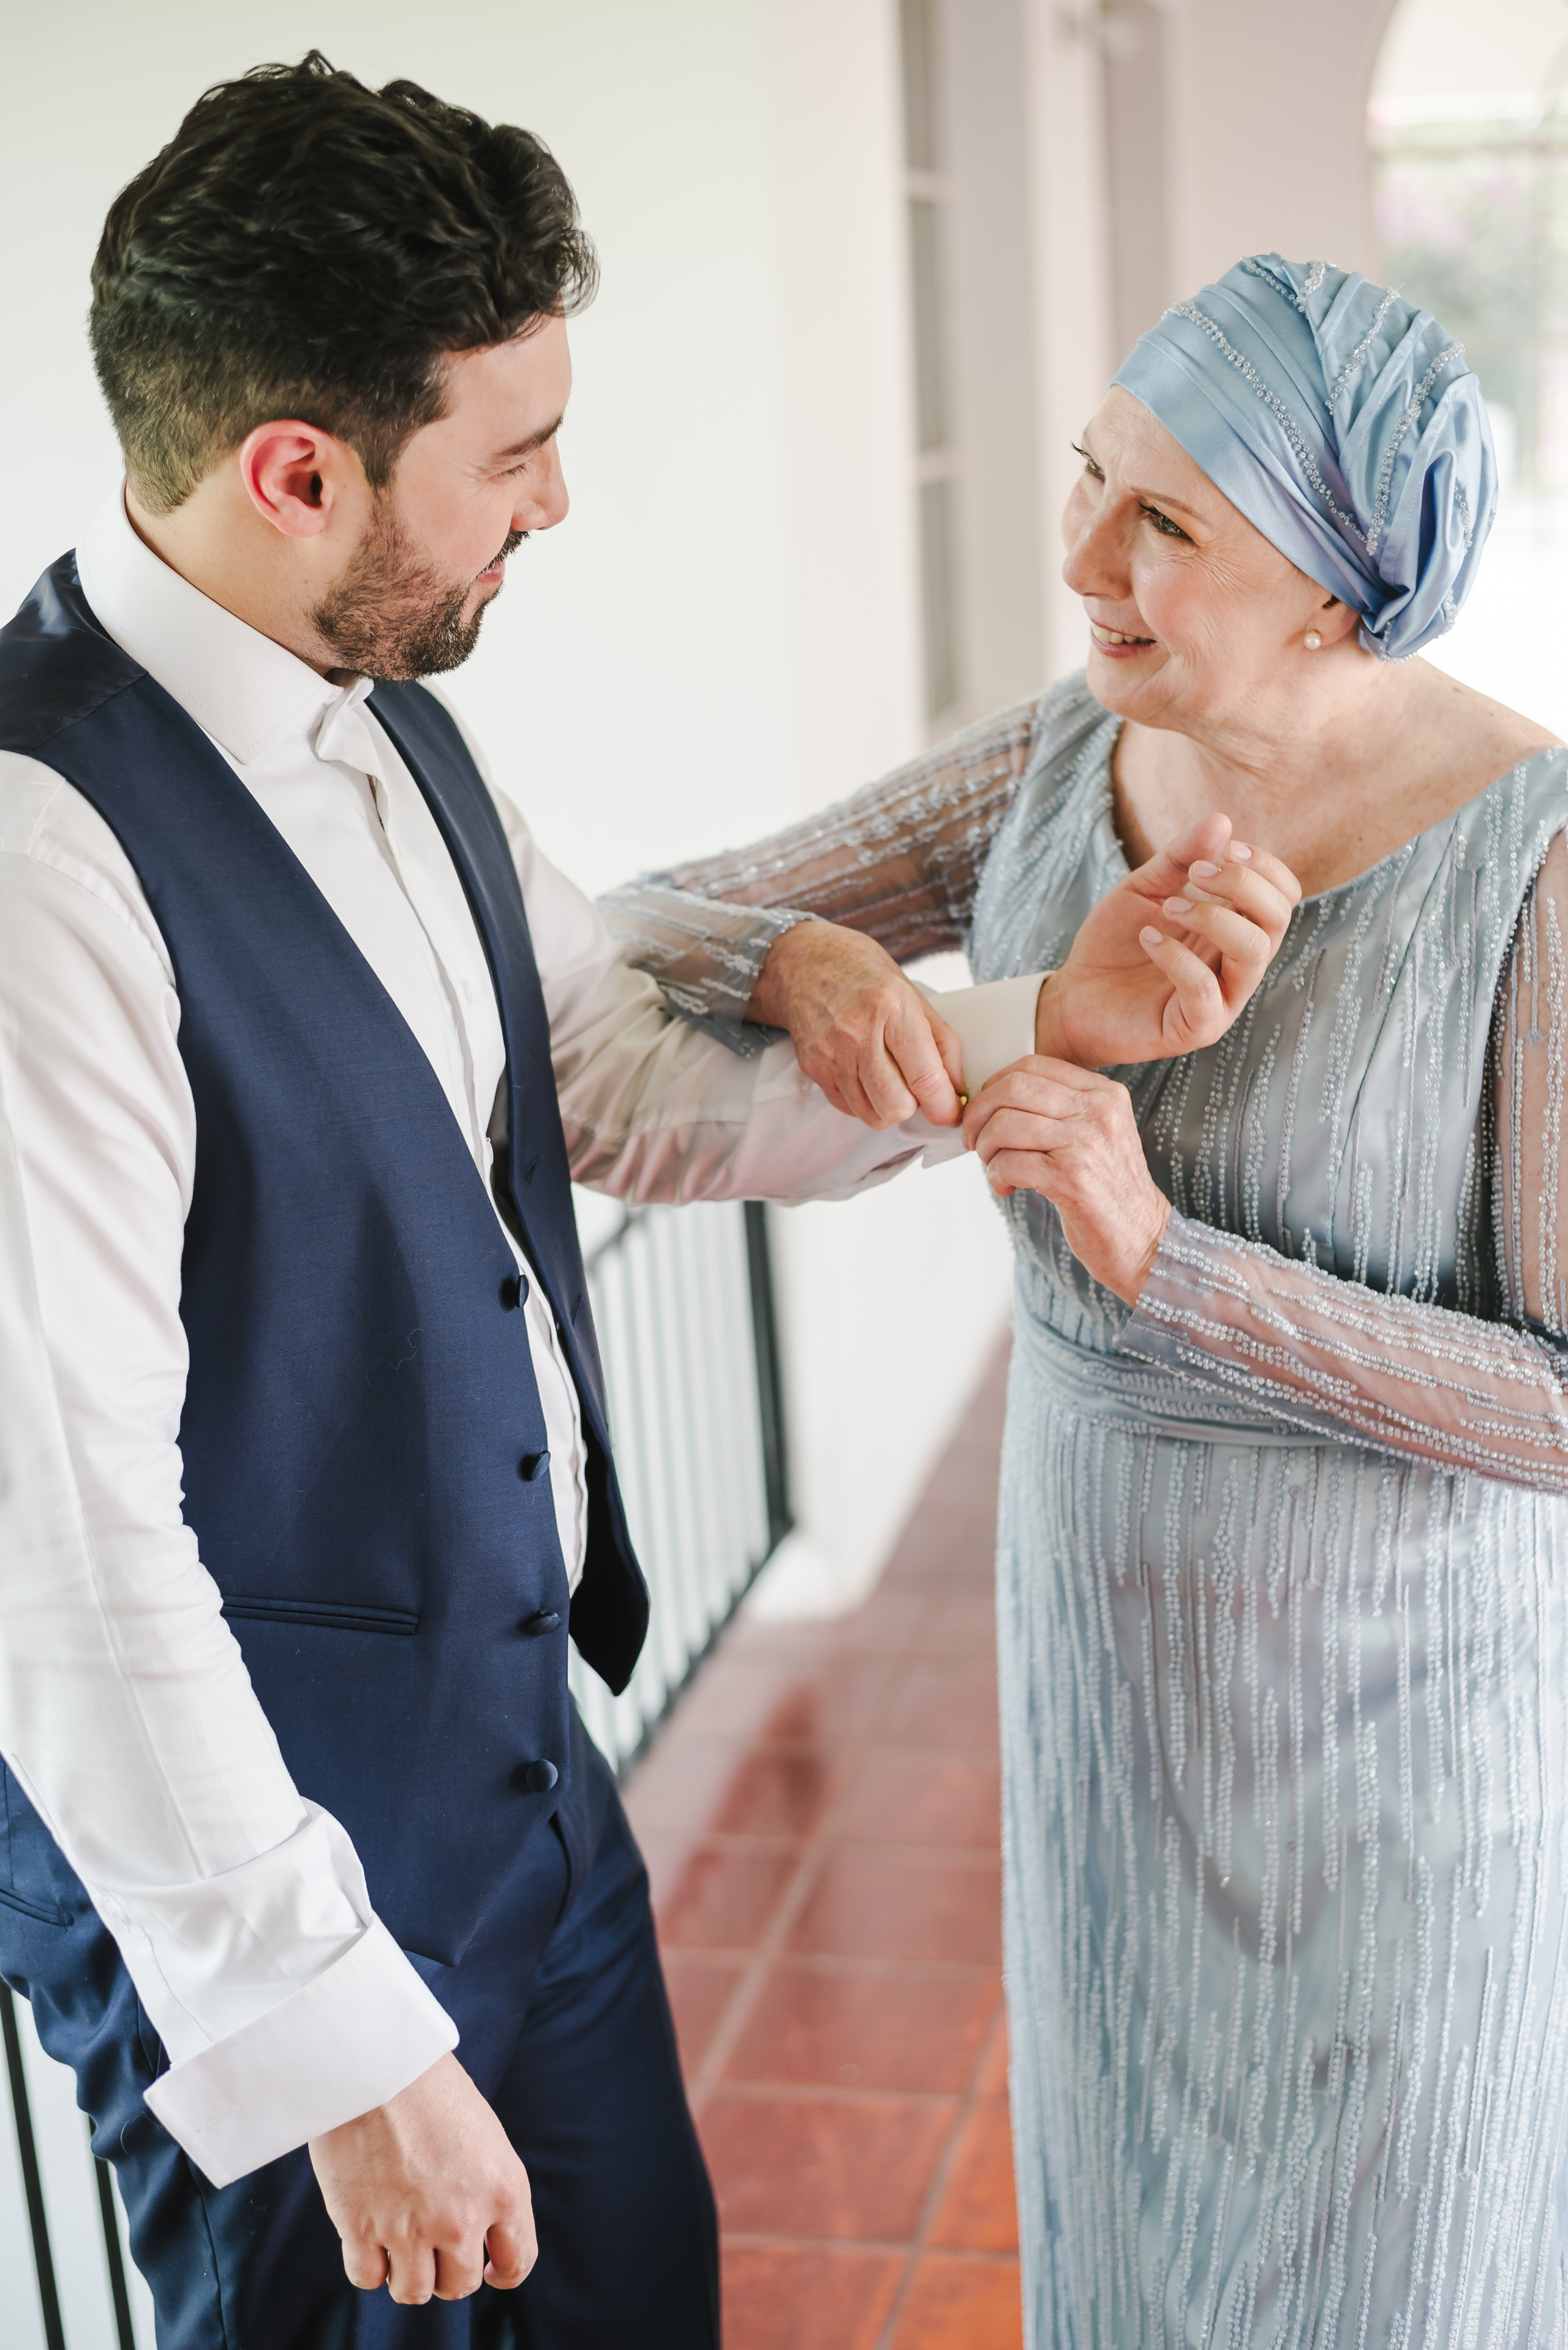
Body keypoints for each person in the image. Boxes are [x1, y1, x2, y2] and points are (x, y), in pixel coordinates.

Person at [0, 56, 1295, 2346]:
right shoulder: (37, 869)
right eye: (511, 458)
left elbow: (612, 1068)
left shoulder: (386, 703)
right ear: (297, 472)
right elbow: (64, 1543)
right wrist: (346, 2042)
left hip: (523, 1789)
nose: (561, 501)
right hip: (267, 1910)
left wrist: (1044, 1021)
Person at [605, 255, 1568, 2345]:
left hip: (1400, 1797)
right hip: (1110, 1734)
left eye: (1163, 521)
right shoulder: (1056, 765)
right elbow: (631, 931)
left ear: (1334, 583)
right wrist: (818, 964)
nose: (1079, 558)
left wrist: (1175, 1268)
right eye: (1085, 477)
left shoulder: (1537, 859)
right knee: (1130, 2263)